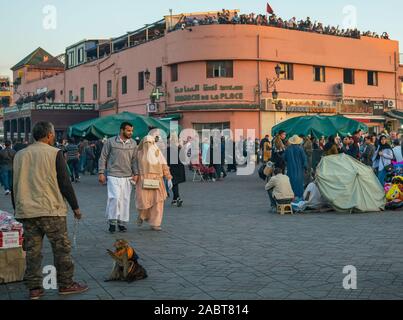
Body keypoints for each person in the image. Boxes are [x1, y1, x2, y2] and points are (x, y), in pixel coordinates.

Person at [12, 121, 88, 300]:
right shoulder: (55, 153)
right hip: (51, 210)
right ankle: (66, 284)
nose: (54, 136)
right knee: (61, 250)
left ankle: (35, 288)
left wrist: (18, 210)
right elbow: (65, 183)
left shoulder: (20, 155)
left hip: (27, 211)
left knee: (32, 252)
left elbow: (15, 185)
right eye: (53, 134)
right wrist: (75, 207)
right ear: (48, 135)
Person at [98, 122, 139, 233]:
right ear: (122, 130)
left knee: (125, 200)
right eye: (128, 130)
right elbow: (103, 157)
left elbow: (134, 160)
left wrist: (136, 174)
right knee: (114, 198)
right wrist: (101, 173)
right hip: (113, 174)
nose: (131, 133)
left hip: (127, 176)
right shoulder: (110, 141)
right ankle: (112, 221)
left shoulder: (133, 143)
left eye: (132, 131)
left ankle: (122, 222)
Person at [135, 135, 173, 231]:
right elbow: (134, 166)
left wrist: (168, 177)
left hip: (157, 179)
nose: (148, 145)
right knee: (143, 200)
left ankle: (155, 223)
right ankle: (142, 215)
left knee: (158, 201)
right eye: (146, 143)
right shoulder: (138, 153)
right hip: (143, 179)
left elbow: (164, 165)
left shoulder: (158, 153)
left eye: (150, 143)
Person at [283, 135, 308, 201]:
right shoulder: (300, 149)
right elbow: (304, 159)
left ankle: (292, 198)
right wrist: (306, 168)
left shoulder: (288, 149)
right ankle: (300, 199)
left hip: (290, 170)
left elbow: (284, 158)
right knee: (299, 184)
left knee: (291, 184)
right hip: (299, 170)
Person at [167, 134, 186, 207]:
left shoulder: (169, 149)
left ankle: (177, 198)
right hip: (179, 168)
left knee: (173, 183)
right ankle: (175, 199)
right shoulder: (179, 148)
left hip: (172, 168)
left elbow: (167, 160)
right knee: (175, 184)